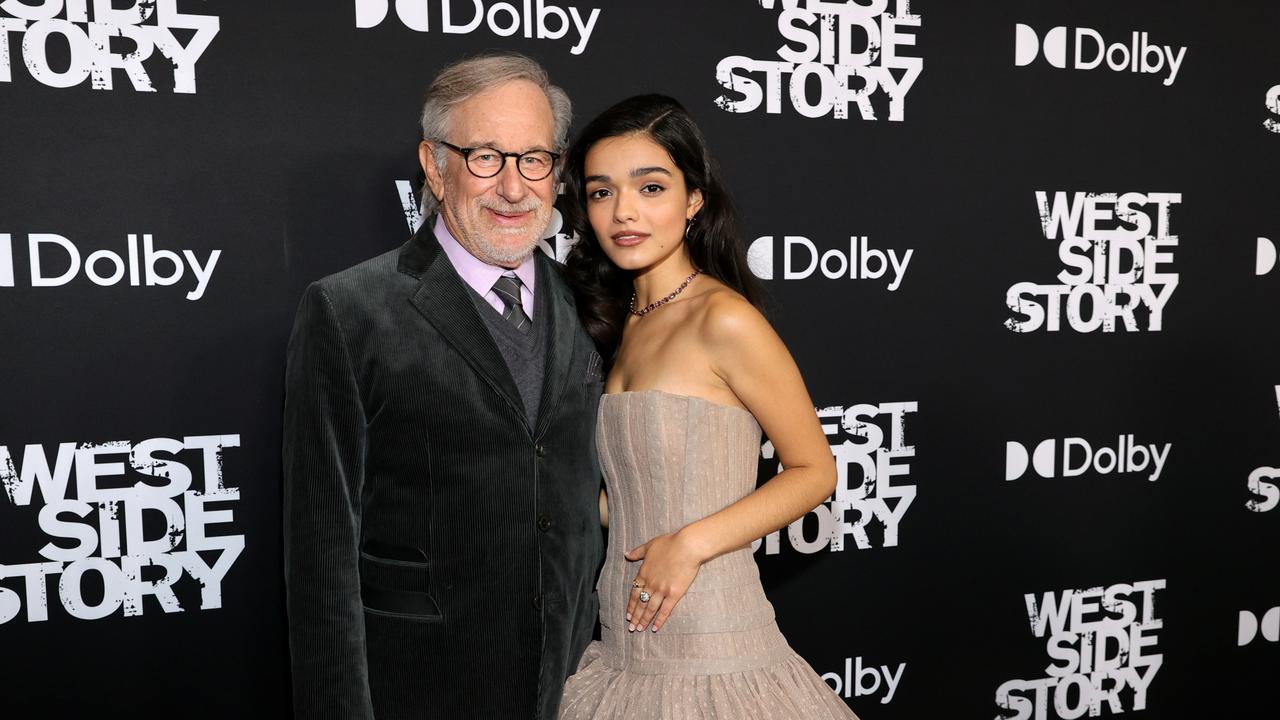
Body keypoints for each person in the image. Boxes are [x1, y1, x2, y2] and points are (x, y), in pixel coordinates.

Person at [283, 53, 604, 720]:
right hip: (423, 685)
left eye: (535, 159)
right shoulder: (350, 310)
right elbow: (321, 555)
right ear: (434, 163)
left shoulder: (588, 302)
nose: (515, 188)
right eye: (486, 156)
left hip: (577, 682)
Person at [556, 94, 860, 719]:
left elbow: (815, 471)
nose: (625, 212)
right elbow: (642, 493)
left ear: (693, 199)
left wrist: (690, 544)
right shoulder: (621, 324)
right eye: (601, 191)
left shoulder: (725, 319)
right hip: (624, 637)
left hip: (710, 639)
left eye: (650, 186)